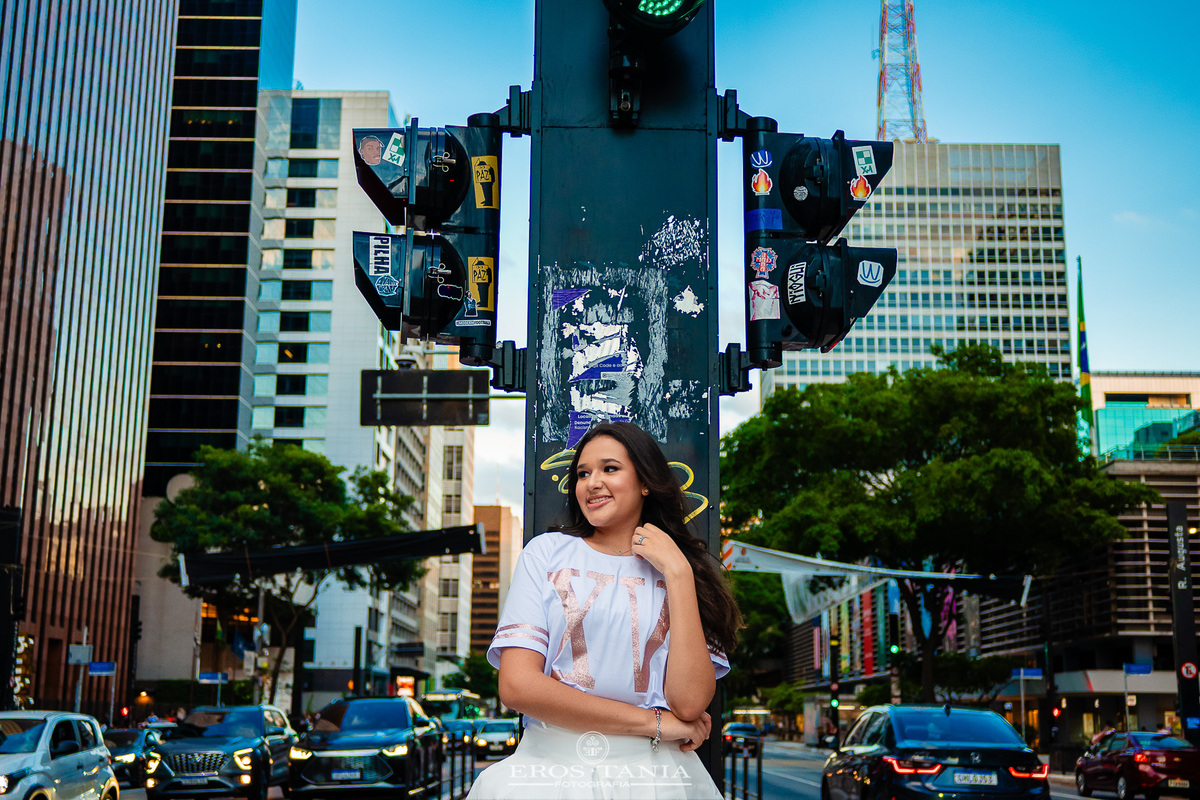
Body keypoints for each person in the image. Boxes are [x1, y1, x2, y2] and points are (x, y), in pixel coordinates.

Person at [468, 422, 742, 799]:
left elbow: (691, 702)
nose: (592, 482)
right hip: (550, 773)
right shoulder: (546, 553)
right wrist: (654, 721)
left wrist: (678, 573)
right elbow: (517, 686)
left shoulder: (681, 569)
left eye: (609, 469)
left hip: (658, 778)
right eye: (583, 473)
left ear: (646, 481)